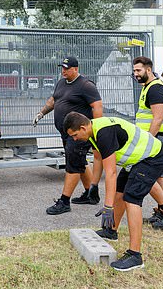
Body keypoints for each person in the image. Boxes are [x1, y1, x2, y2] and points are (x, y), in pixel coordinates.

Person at [64, 112, 163, 271]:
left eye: (75, 135)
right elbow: (99, 160)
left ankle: (135, 255)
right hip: (137, 160)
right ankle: (111, 231)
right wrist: (94, 185)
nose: (74, 139)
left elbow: (111, 172)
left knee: (132, 197)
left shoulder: (104, 133)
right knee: (120, 190)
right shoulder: (93, 132)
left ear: (83, 127)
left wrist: (108, 207)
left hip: (152, 158)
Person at [33, 56, 104, 215]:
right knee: (80, 162)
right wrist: (41, 113)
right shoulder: (61, 83)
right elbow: (53, 100)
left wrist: (98, 130)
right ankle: (91, 194)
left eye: (66, 68)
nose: (63, 71)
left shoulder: (86, 85)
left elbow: (97, 107)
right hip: (67, 133)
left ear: (76, 69)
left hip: (80, 134)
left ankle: (64, 202)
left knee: (72, 166)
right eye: (62, 68)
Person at [132, 56, 163, 229]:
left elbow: (158, 118)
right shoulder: (148, 87)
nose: (135, 74)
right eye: (134, 71)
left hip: (155, 138)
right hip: (154, 138)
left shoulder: (155, 89)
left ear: (148, 70)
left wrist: (147, 141)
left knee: (149, 175)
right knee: (160, 175)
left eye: (138, 70)